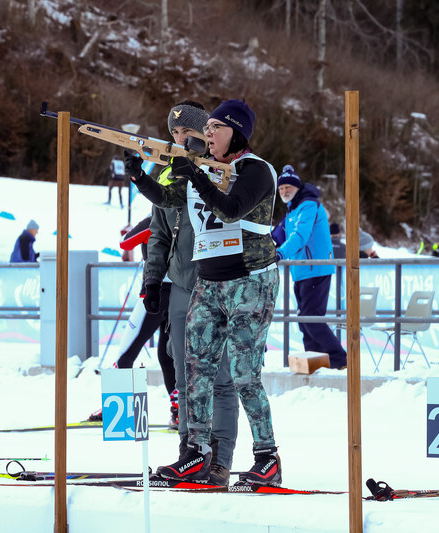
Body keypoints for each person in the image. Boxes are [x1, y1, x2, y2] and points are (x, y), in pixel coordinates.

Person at [126, 99, 282, 486]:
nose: (207, 134)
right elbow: (168, 202)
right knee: (194, 372)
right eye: (206, 127)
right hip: (208, 282)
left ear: (236, 133)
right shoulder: (202, 167)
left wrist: (196, 177)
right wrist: (140, 178)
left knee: (244, 375)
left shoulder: (256, 170)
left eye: (215, 127)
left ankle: (267, 457)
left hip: (250, 280)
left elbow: (232, 208)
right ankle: (196, 453)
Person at [142, 100, 240, 486]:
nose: (180, 139)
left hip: (220, 284)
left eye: (188, 132)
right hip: (181, 285)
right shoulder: (166, 173)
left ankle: (220, 460)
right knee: (185, 378)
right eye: (174, 133)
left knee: (221, 379)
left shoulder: (228, 170)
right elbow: (159, 233)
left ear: (207, 134)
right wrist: (153, 280)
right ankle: (190, 454)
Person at [87, 215, 178, 427]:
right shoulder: (182, 217)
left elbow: (125, 243)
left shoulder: (155, 219)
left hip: (153, 294)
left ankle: (115, 411)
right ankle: (178, 410)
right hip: (179, 294)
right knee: (167, 356)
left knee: (126, 352)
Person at [270, 165, 346, 369]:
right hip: (301, 271)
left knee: (310, 319)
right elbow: (277, 235)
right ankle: (315, 363)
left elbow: (299, 236)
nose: (284, 191)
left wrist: (280, 253)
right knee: (305, 321)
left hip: (316, 269)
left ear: (297, 187)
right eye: (281, 188)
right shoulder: (292, 210)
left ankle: (340, 360)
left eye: (288, 187)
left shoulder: (308, 205)